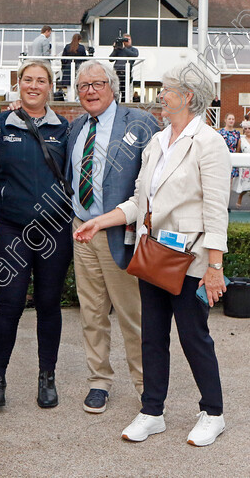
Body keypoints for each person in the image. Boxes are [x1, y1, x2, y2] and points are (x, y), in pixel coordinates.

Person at [74, 62, 231, 448]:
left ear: (188, 96)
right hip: (153, 255)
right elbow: (137, 200)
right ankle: (152, 411)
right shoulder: (157, 142)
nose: (160, 95)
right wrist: (101, 222)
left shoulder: (209, 143)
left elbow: (215, 211)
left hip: (191, 261)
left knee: (195, 338)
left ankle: (213, 413)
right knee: (152, 338)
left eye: (166, 89)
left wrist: (215, 267)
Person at [0, 59, 73, 410]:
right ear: (19, 83)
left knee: (48, 305)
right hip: (11, 228)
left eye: (41, 80)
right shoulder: (0, 124)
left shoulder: (65, 129)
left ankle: (47, 378)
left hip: (54, 231)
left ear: (50, 86)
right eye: (27, 79)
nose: (33, 85)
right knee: (9, 305)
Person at [65, 59, 159, 414]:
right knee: (91, 313)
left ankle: (145, 385)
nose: (90, 91)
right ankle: (99, 381)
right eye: (83, 86)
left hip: (121, 233)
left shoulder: (139, 122)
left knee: (132, 314)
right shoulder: (76, 128)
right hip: (82, 231)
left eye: (97, 84)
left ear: (112, 87)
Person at [109, 33, 138, 98]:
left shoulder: (133, 49)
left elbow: (134, 55)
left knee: (124, 93)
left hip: (126, 73)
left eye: (129, 39)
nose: (128, 41)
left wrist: (124, 48)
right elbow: (111, 59)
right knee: (115, 92)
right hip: (117, 73)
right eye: (126, 40)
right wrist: (115, 48)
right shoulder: (119, 49)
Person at [218, 113, 240, 189]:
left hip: (232, 158)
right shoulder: (220, 133)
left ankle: (228, 200)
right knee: (222, 182)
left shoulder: (237, 133)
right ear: (225, 120)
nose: (231, 121)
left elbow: (238, 147)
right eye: (229, 119)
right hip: (222, 158)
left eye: (233, 119)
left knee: (230, 182)